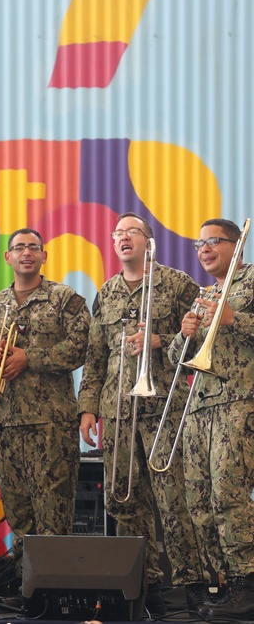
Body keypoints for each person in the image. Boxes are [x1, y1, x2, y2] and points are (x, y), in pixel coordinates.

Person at [78, 212, 208, 613]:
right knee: (123, 500)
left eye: (131, 232)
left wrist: (159, 340)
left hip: (164, 407)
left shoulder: (177, 284)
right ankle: (143, 584)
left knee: (173, 499)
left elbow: (204, 335)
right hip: (117, 409)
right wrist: (87, 409)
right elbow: (95, 355)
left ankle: (192, 585)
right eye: (117, 234)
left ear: (149, 241)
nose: (122, 238)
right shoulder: (107, 292)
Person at [0, 229, 89, 566]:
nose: (27, 253)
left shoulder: (65, 299)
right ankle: (27, 587)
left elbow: (82, 346)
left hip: (51, 427)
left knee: (54, 516)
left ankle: (53, 589)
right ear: (8, 258)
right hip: (6, 426)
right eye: (19, 248)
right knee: (19, 517)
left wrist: (29, 357)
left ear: (44, 256)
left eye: (34, 247)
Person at [168, 218, 254, 619]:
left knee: (228, 497)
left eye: (212, 241)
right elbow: (175, 359)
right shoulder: (204, 294)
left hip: (238, 402)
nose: (203, 249)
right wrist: (182, 335)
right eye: (198, 243)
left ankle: (248, 583)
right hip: (199, 408)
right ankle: (221, 584)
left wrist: (234, 318)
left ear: (236, 245)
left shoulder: (251, 282)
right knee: (199, 502)